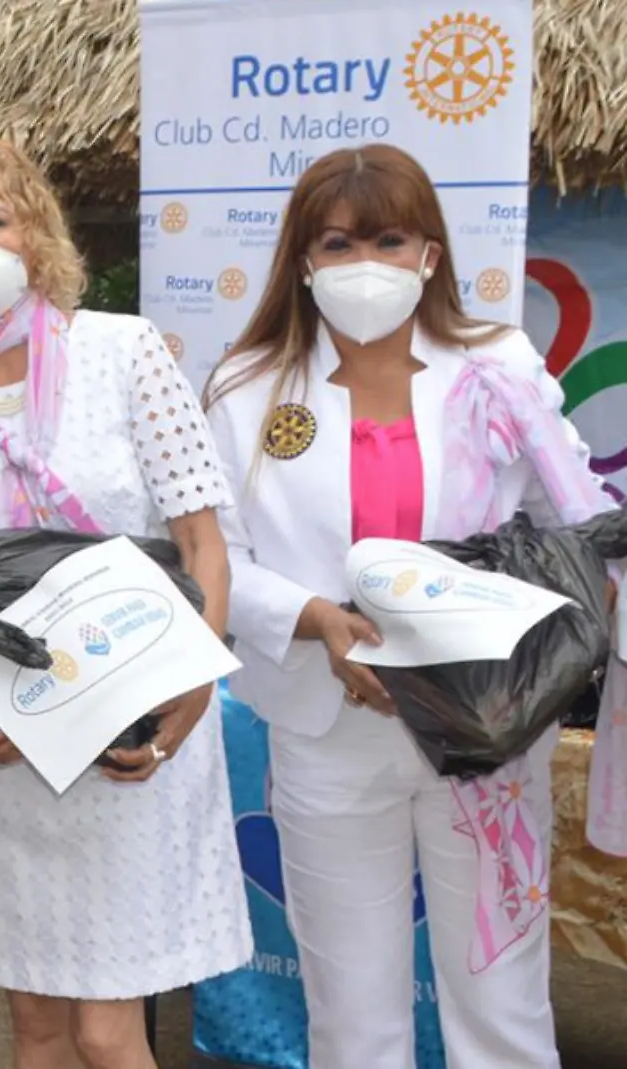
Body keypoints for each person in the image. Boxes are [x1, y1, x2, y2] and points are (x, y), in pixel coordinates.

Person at [202, 143, 612, 1069]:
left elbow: (581, 522)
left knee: (502, 996)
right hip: (325, 732)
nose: (364, 265)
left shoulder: (498, 365)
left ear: (430, 252)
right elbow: (219, 561)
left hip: (487, 734)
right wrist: (317, 619)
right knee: (351, 1010)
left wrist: (509, 634)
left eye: (389, 239)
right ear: (302, 260)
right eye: (338, 242)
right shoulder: (245, 386)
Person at [0, 137, 250, 1069]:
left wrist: (188, 692)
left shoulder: (123, 352)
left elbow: (203, 541)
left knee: (104, 1026)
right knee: (37, 1025)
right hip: (8, 740)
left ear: (36, 236)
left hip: (140, 727)